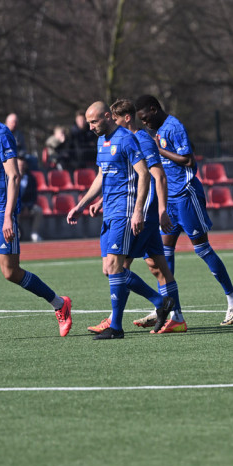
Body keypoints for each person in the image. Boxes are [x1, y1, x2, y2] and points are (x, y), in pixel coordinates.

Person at [0, 86, 72, 343]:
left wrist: (8, 216)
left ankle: (59, 303)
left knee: (10, 272)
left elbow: (14, 175)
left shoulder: (1, 134)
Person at [134, 94, 233, 326]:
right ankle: (170, 310)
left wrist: (159, 151)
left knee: (202, 250)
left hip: (186, 195)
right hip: (168, 201)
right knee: (163, 256)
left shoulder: (173, 126)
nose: (144, 123)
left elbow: (189, 161)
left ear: (153, 110)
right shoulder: (158, 131)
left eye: (145, 118)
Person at [85, 98, 187, 335]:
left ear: (124, 119)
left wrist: (159, 210)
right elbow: (122, 176)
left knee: (117, 266)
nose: (114, 124)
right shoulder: (118, 139)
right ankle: (177, 317)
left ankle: (116, 320)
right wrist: (100, 200)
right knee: (156, 265)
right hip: (136, 209)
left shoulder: (140, 139)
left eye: (117, 119)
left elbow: (157, 176)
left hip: (140, 212)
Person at [65, 101, 153, 340]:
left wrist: (138, 212)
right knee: (109, 270)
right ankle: (160, 301)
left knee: (116, 267)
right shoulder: (100, 141)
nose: (91, 127)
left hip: (124, 211)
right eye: (89, 123)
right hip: (109, 211)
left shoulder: (126, 139)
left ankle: (116, 327)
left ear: (107, 116)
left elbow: (144, 174)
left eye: (94, 122)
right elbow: (102, 176)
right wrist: (83, 205)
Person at [17, 159, 44, 242]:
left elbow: (34, 195)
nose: (21, 167)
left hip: (28, 206)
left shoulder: (31, 178)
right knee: (13, 211)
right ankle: (16, 232)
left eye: (23, 165)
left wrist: (27, 207)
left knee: (38, 210)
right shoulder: (11, 178)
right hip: (16, 205)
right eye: (19, 165)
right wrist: (21, 206)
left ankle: (34, 233)